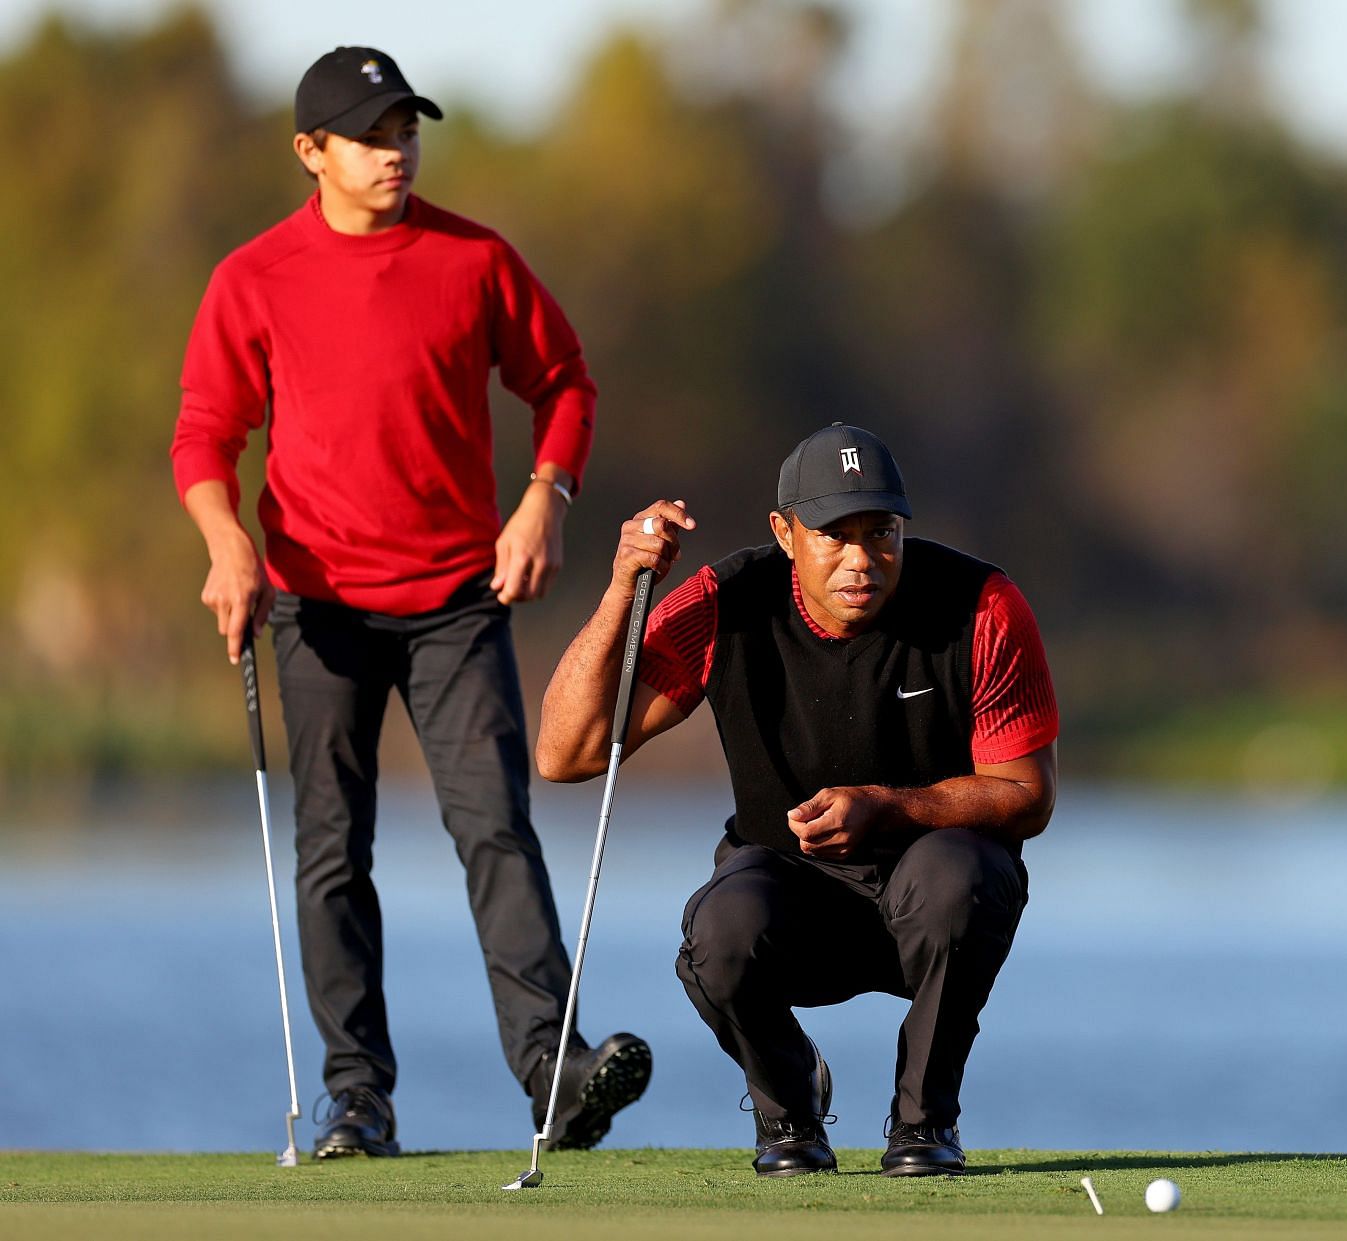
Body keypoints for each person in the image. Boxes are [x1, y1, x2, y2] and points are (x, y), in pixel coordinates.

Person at [171, 46, 649, 1159]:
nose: (397, 152)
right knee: (332, 849)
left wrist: (544, 499)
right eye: (373, 135)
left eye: (406, 130)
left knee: (494, 828)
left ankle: (555, 1073)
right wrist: (225, 539)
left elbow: (565, 379)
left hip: (455, 600)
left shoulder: (474, 259)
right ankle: (357, 1099)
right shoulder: (255, 277)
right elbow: (206, 434)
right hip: (316, 603)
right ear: (312, 152)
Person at [537, 423, 1059, 1177]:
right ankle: (789, 1113)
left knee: (958, 880)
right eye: (832, 535)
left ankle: (924, 1125)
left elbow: (1028, 794)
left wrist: (890, 807)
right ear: (785, 532)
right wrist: (624, 587)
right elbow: (565, 752)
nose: (861, 560)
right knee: (720, 932)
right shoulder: (728, 602)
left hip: (932, 898)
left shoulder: (981, 604)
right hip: (790, 896)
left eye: (880, 532)